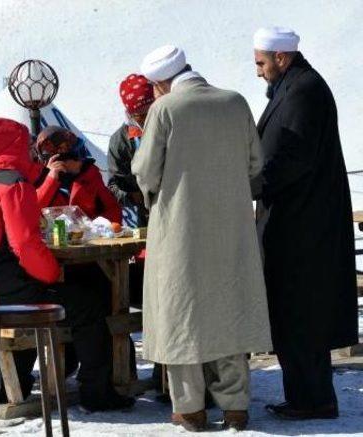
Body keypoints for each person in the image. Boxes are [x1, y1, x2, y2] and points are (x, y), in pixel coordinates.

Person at [0, 117, 135, 412]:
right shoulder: (13, 186)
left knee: (38, 295)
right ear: (15, 147)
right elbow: (26, 246)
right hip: (2, 296)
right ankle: (96, 392)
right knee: (87, 303)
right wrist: (53, 274)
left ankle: (16, 385)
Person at [132, 45, 272, 432]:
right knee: (228, 310)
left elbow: (146, 171)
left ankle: (190, 408)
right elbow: (255, 163)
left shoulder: (165, 110)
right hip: (231, 228)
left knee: (182, 316)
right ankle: (236, 406)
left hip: (180, 230)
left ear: (160, 84)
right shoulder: (235, 102)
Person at [251, 27, 358, 420]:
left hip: (303, 227)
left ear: (282, 58)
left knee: (302, 315)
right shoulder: (293, 87)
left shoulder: (305, 90)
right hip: (294, 223)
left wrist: (253, 184)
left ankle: (313, 399)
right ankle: (304, 395)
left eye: (261, 63)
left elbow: (292, 157)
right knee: (293, 313)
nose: (258, 71)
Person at [32, 125, 122, 223]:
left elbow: (113, 210)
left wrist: (98, 226)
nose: (80, 161)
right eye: (75, 157)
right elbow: (32, 210)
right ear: (57, 161)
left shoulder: (89, 174)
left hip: (86, 234)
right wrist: (50, 180)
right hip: (52, 235)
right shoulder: (37, 178)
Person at [108, 74, 155, 228]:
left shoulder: (175, 126)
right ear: (130, 114)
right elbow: (114, 186)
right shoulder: (120, 141)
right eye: (141, 116)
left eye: (152, 112)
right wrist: (135, 197)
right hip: (148, 217)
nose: (148, 119)